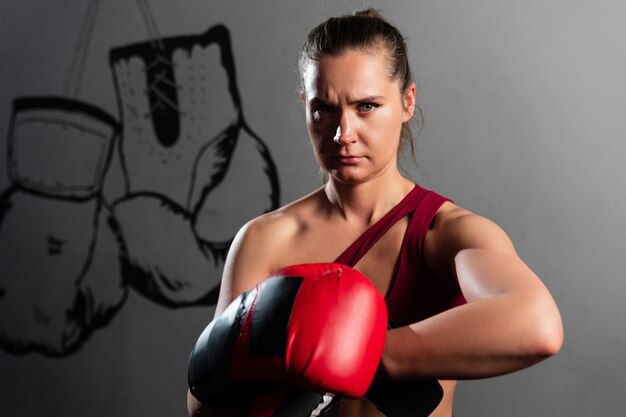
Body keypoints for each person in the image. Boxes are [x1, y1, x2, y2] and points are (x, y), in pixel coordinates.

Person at [187, 8, 563, 417]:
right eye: (323, 109)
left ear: (406, 102)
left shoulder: (443, 233)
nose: (342, 134)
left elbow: (538, 326)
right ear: (305, 106)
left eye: (366, 106)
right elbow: (204, 405)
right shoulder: (264, 239)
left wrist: (363, 355)